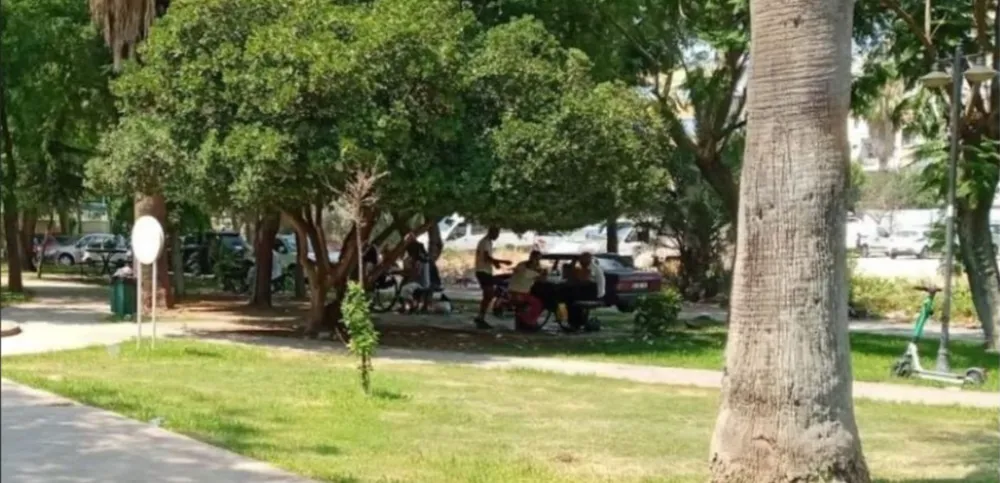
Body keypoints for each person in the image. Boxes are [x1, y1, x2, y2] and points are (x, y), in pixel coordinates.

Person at [474, 226, 511, 329]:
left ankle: (481, 316)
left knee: (488, 295)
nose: (497, 236)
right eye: (496, 234)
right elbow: (487, 257)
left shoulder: (488, 242)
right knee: (489, 295)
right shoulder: (485, 242)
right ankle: (481, 317)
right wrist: (502, 262)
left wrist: (495, 263)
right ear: (491, 232)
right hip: (483, 271)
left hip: (486, 271)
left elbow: (487, 258)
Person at [508, 250, 547, 330]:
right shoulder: (529, 269)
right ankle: (530, 322)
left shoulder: (521, 264)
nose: (537, 261)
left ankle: (524, 321)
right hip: (520, 293)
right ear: (532, 258)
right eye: (536, 259)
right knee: (538, 304)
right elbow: (542, 279)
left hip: (513, 291)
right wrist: (545, 273)